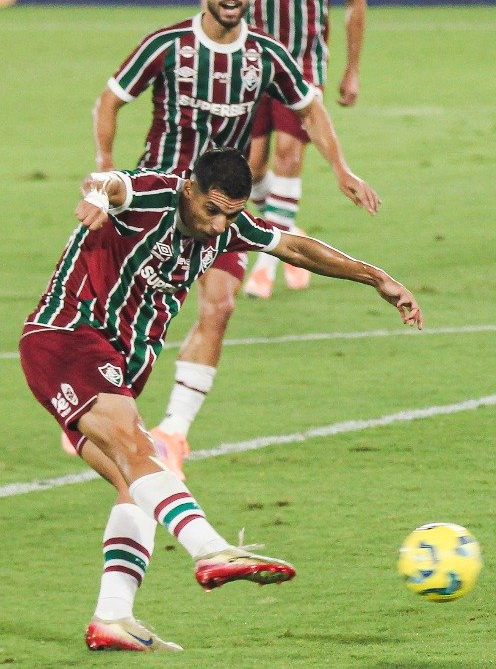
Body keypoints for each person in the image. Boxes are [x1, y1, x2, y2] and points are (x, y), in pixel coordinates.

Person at [19, 148, 422, 652]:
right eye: (212, 210)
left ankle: (112, 616)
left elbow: (295, 247)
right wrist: (98, 196)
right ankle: (210, 549)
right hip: (69, 338)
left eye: (230, 214)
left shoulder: (226, 227)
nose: (218, 225)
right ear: (190, 189)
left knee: (136, 485)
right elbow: (108, 182)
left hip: (118, 364)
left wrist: (377, 277)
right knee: (142, 453)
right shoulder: (153, 194)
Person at [84, 0, 380, 478]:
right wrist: (105, 172)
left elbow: (310, 108)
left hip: (221, 210)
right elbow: (110, 101)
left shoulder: (266, 54)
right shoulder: (167, 45)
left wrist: (340, 168)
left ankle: (173, 432)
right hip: (159, 201)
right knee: (125, 311)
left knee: (220, 305)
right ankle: (91, 401)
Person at [242, 0, 367, 299]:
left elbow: (355, 1)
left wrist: (352, 69)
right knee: (251, 170)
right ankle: (289, 229)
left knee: (288, 154)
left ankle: (267, 265)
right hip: (251, 63)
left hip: (303, 66)